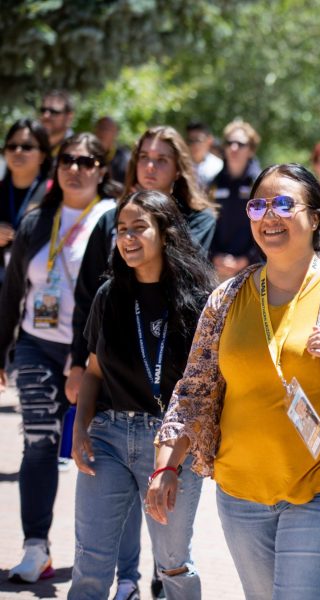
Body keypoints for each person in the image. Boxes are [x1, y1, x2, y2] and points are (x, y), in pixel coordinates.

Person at [147, 163, 320, 599]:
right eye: (258, 205)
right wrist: (164, 466)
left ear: (315, 217)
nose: (270, 215)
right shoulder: (226, 298)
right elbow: (194, 392)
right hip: (240, 496)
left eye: (284, 204)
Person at [67, 125, 216, 599]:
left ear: (165, 233)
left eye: (139, 228)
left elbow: (204, 392)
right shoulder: (110, 295)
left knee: (173, 567)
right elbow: (93, 370)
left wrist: (170, 462)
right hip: (109, 437)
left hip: (172, 443)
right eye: (122, 230)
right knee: (91, 563)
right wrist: (80, 428)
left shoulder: (198, 302)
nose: (128, 238)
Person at [0, 133, 119, 583]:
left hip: (92, 353)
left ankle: (104, 557)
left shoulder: (110, 219)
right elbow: (13, 291)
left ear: (101, 170)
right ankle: (36, 546)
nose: (76, 168)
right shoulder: (36, 221)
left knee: (98, 451)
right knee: (39, 441)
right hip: (36, 344)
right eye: (68, 159)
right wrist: (1, 350)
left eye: (88, 161)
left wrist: (86, 358)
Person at [1, 119, 52, 288]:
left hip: (41, 288)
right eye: (11, 146)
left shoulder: (55, 193)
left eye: (27, 147)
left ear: (43, 155)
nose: (18, 151)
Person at [209, 119, 262, 279]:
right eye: (229, 143)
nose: (233, 148)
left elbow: (266, 226)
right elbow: (207, 223)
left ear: (251, 150)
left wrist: (245, 259)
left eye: (240, 144)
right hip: (219, 268)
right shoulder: (213, 184)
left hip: (254, 267)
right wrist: (215, 256)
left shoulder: (259, 184)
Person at [38, 90, 75, 162]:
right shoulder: (30, 147)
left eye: (53, 112)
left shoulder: (77, 150)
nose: (46, 116)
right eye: (43, 110)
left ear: (69, 117)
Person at [186, 121, 223, 189]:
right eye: (190, 141)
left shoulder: (218, 166)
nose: (194, 145)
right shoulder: (183, 165)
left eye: (198, 140)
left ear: (209, 140)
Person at [94, 117, 130, 185]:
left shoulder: (124, 159)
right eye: (101, 127)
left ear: (115, 133)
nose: (103, 132)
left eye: (107, 129)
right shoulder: (88, 156)